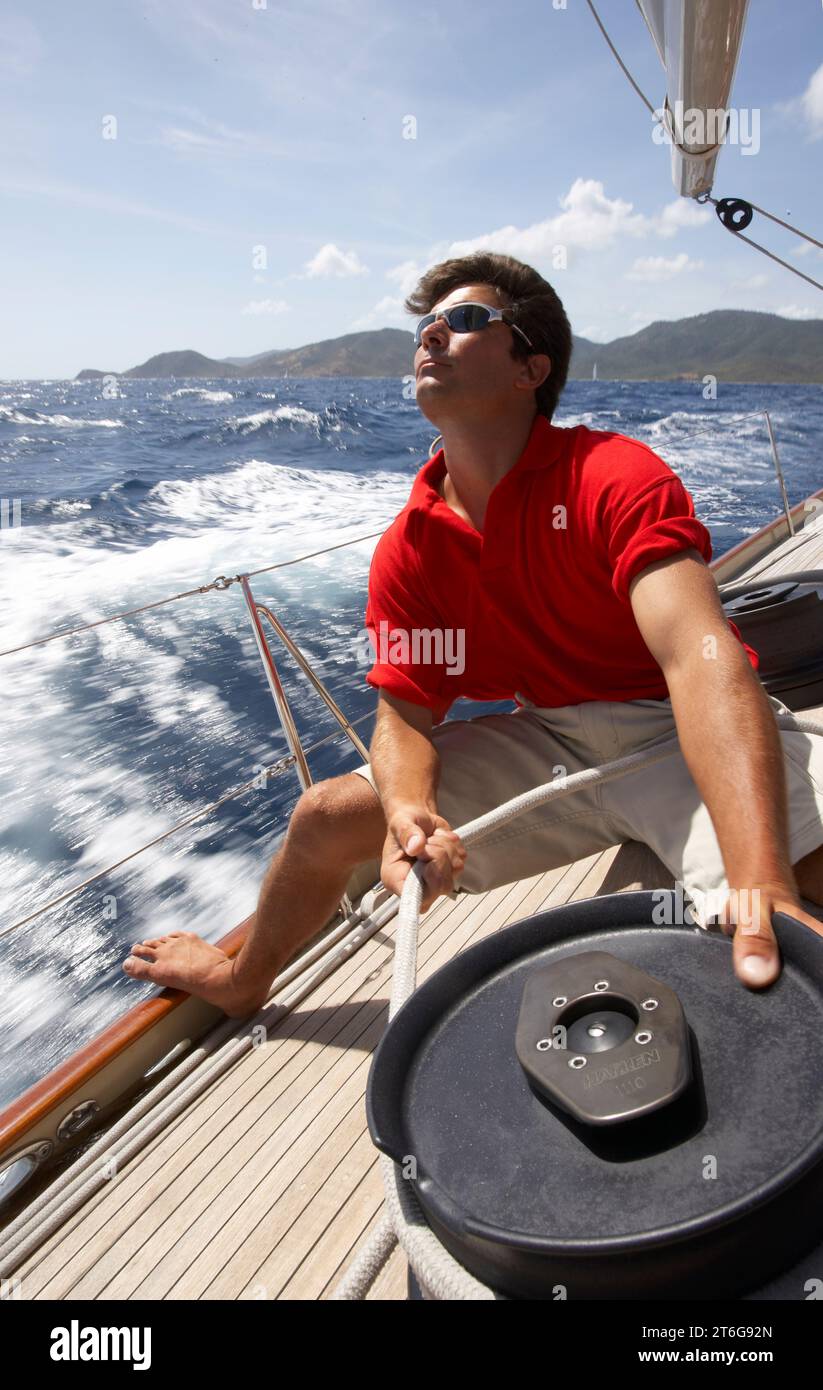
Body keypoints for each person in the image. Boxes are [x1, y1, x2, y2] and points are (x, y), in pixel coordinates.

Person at [123, 251, 823, 1017]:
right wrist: (407, 809)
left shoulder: (610, 478)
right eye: (424, 326)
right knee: (323, 816)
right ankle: (239, 980)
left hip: (673, 728)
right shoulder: (412, 547)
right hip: (551, 741)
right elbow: (405, 714)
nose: (430, 338)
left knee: (772, 926)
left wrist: (762, 874)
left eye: (462, 321)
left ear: (531, 369)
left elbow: (699, 656)